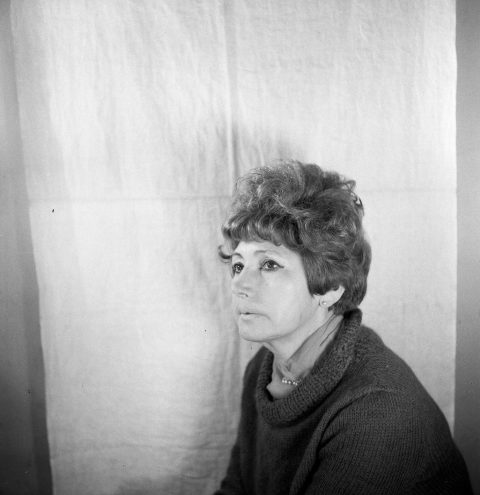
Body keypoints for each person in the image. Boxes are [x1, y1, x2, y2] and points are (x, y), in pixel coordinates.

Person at [214, 160, 472, 495]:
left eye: (269, 264)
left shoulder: (377, 411)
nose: (239, 284)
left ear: (330, 287)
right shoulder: (261, 370)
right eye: (238, 265)